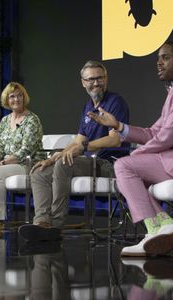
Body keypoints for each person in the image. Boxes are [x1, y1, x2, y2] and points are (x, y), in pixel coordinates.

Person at [88, 41, 173, 256]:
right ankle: (163, 226)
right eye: (158, 58)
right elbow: (154, 132)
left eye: (165, 58)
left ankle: (156, 228)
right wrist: (118, 126)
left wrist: (135, 154)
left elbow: (167, 137)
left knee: (124, 166)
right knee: (128, 169)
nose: (159, 63)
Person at [19, 61, 129, 241]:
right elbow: (78, 140)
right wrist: (53, 158)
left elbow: (115, 139)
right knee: (39, 172)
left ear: (106, 78)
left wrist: (83, 148)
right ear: (83, 82)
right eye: (91, 79)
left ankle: (56, 224)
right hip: (89, 162)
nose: (96, 83)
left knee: (64, 163)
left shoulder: (115, 102)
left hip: (109, 163)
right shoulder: (88, 107)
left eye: (100, 78)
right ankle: (42, 223)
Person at [0, 82, 45, 231]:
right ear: (7, 100)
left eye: (19, 96)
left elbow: (26, 151)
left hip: (28, 164)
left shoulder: (32, 119)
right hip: (7, 163)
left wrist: (2, 163)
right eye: (12, 96)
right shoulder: (5, 121)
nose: (16, 99)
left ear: (24, 98)